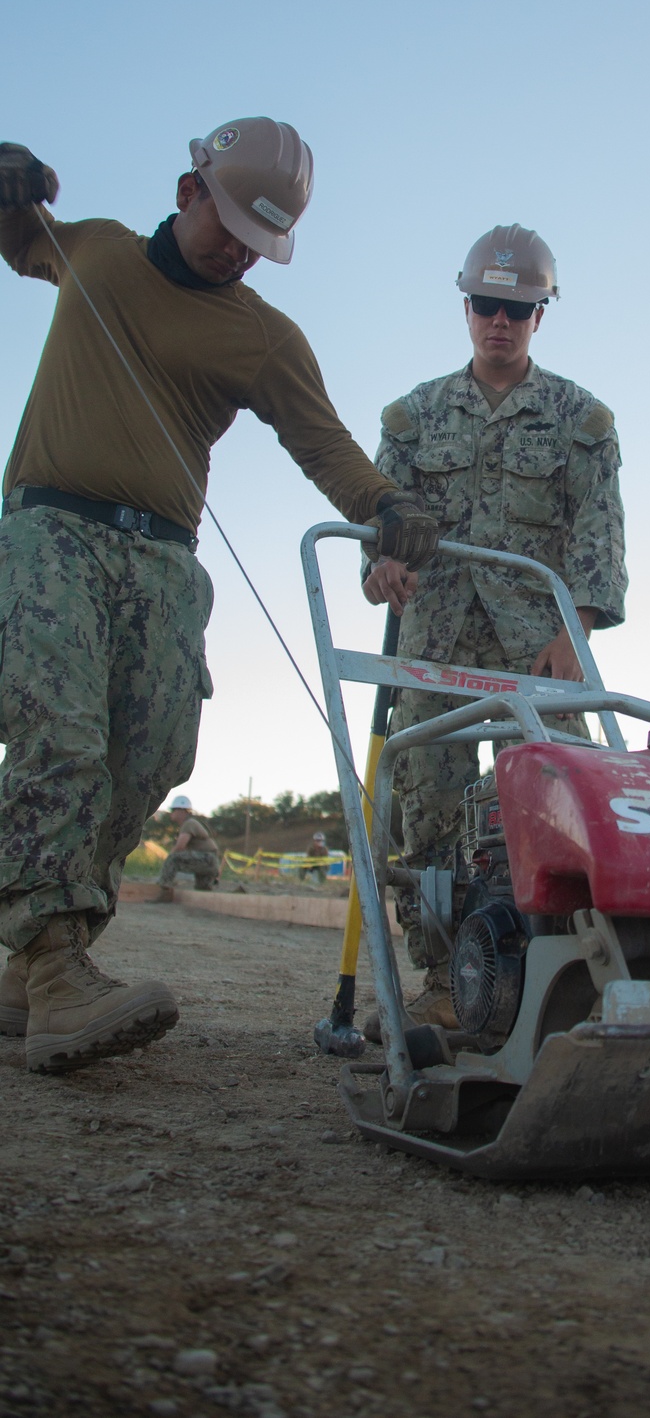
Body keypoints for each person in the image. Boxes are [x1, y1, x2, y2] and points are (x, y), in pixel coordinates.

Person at [0, 123, 438, 1072]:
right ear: (190, 188)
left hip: (162, 560)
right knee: (57, 732)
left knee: (152, 752)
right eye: (230, 222)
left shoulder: (266, 337)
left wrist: (387, 502)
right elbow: (9, 228)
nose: (238, 249)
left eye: (259, 239)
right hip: (49, 531)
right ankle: (54, 963)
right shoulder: (97, 251)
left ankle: (34, 963)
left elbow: (323, 444)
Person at [362, 224, 627, 1030]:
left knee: (553, 810)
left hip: (533, 651)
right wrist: (381, 565)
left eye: (517, 308)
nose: (499, 322)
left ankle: (551, 984)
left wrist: (576, 624)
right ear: (466, 306)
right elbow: (381, 517)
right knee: (428, 813)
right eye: (485, 305)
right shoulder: (414, 417)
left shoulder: (581, 419)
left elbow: (599, 529)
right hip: (434, 644)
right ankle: (444, 983)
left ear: (541, 314)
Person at [156, 795, 221, 895]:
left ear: (182, 811)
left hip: (206, 858)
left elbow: (180, 847)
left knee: (173, 859)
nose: (171, 813)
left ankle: (164, 890)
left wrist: (167, 860)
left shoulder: (189, 824)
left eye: (173, 810)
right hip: (210, 861)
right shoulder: (190, 824)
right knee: (202, 890)